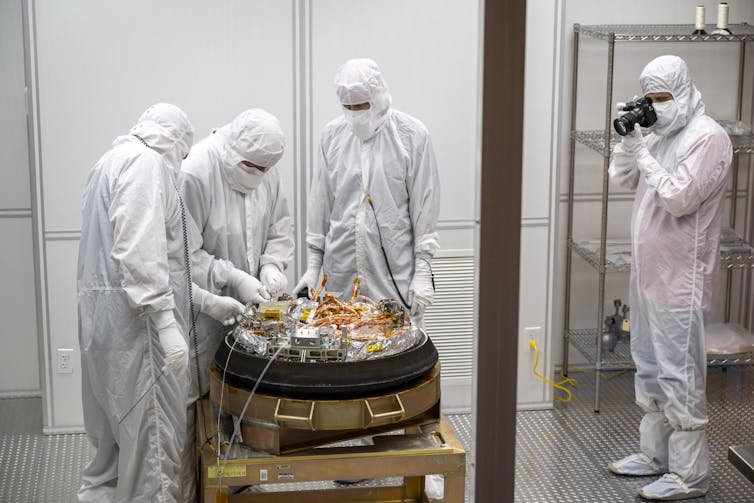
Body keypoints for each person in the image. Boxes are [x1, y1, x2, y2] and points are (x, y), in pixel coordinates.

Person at [77, 103, 244, 502]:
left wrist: (205, 302)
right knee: (153, 459)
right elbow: (141, 255)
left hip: (107, 329)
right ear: (176, 144)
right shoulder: (145, 166)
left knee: (112, 460)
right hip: (141, 340)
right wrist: (167, 327)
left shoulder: (108, 162)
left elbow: (152, 265)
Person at [607, 55, 732, 500]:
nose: (656, 107)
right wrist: (628, 141)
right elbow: (620, 178)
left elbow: (679, 199)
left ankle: (689, 475)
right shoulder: (659, 133)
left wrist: (642, 150)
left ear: (682, 91)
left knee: (679, 375)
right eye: (650, 98)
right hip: (647, 276)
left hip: (681, 279)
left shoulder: (707, 138)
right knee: (650, 366)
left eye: (663, 98)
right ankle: (655, 456)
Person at [177, 108, 293, 501]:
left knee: (248, 398)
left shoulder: (266, 169)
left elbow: (279, 228)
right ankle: (200, 491)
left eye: (265, 169)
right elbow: (185, 256)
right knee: (203, 407)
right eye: (253, 167)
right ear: (233, 149)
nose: (258, 175)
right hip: (204, 312)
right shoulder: (196, 172)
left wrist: (271, 265)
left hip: (252, 314)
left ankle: (244, 487)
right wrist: (234, 278)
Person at [295, 58, 440, 326]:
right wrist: (313, 266)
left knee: (396, 349)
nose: (355, 115)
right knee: (342, 344)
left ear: (379, 97)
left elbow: (425, 205)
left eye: (361, 107)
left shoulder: (412, 135)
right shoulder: (332, 136)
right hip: (340, 271)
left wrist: (423, 268)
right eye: (348, 108)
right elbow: (320, 202)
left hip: (394, 274)